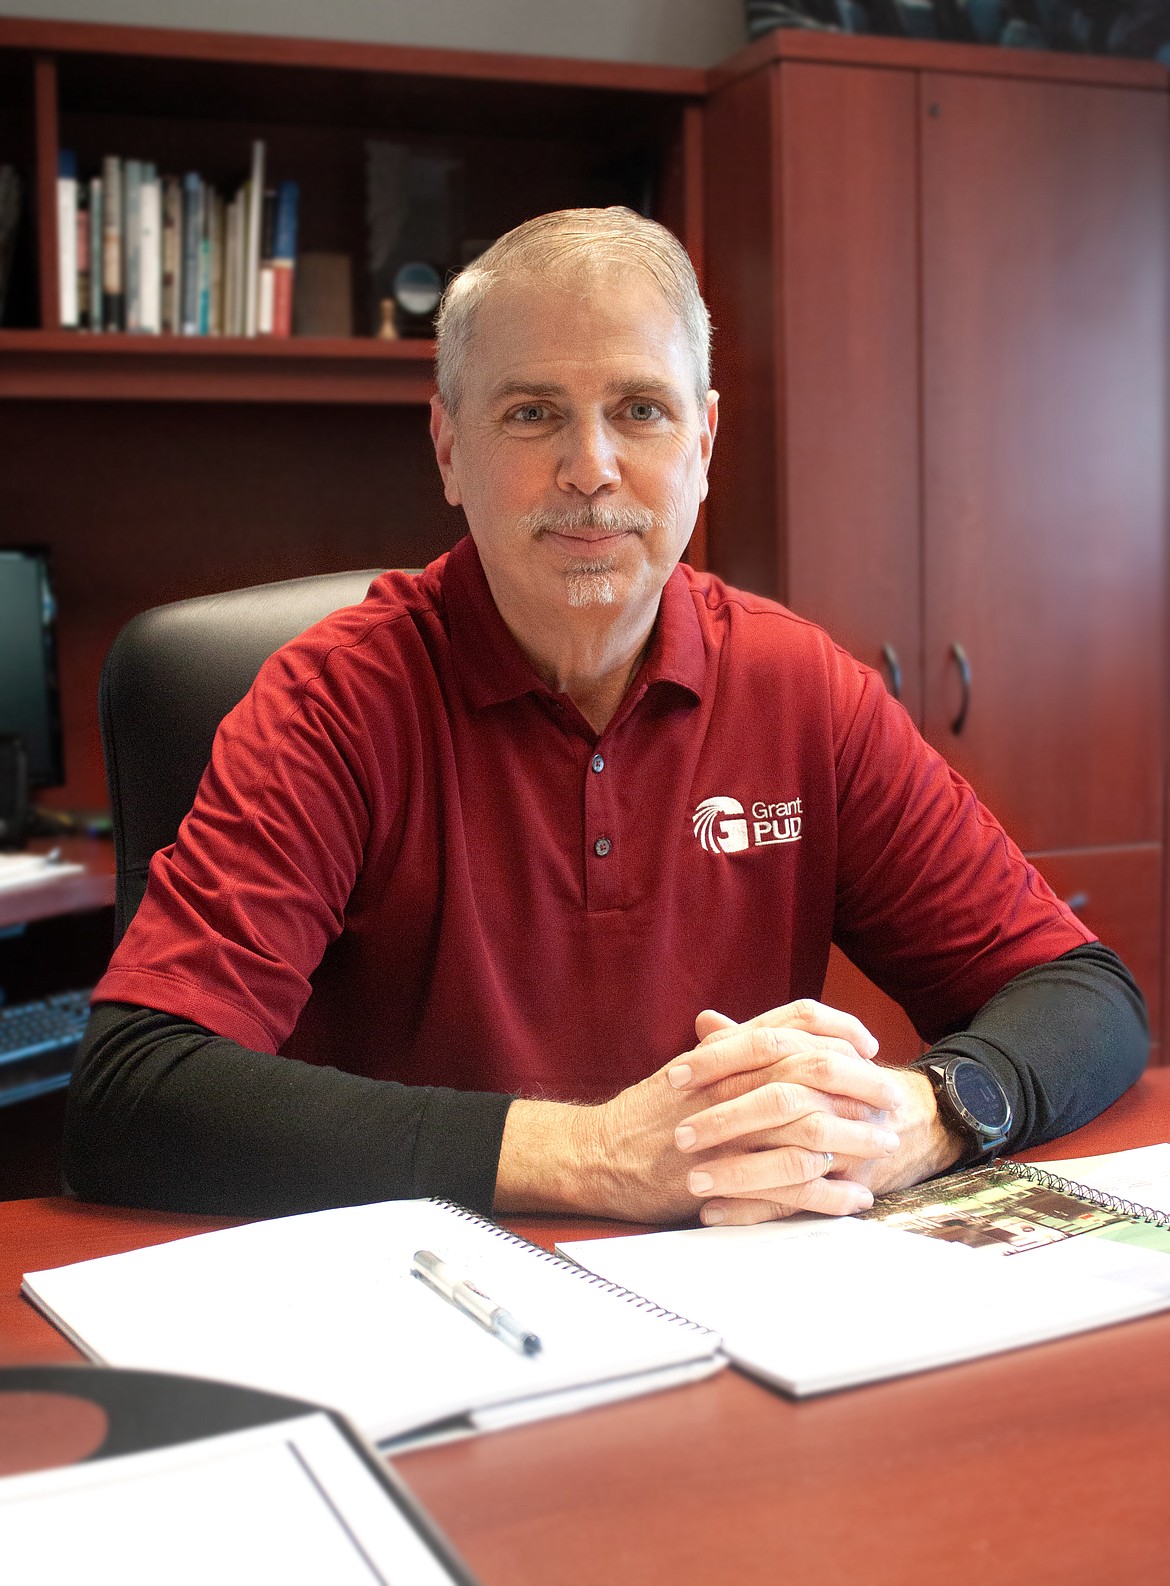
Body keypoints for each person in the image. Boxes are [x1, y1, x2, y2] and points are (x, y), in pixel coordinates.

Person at [65, 208, 1146, 1226]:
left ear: (704, 442)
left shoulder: (799, 686)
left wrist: (927, 1110)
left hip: (746, 1296)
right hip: (433, 1304)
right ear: (448, 448)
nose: (591, 470)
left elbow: (1084, 996)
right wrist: (595, 1157)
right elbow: (132, 1090)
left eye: (641, 410)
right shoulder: (335, 702)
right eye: (533, 413)